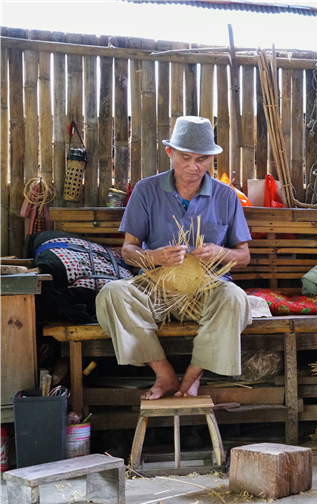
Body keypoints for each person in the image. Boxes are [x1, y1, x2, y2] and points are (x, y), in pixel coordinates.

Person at [96, 116, 252, 400]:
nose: (194, 167)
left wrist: (220, 253)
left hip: (207, 290)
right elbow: (128, 251)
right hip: (157, 288)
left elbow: (243, 256)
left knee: (235, 299)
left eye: (202, 159)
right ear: (170, 153)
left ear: (211, 159)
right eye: (186, 157)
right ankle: (164, 374)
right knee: (111, 294)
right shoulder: (146, 190)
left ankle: (192, 377)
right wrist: (154, 257)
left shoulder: (226, 196)